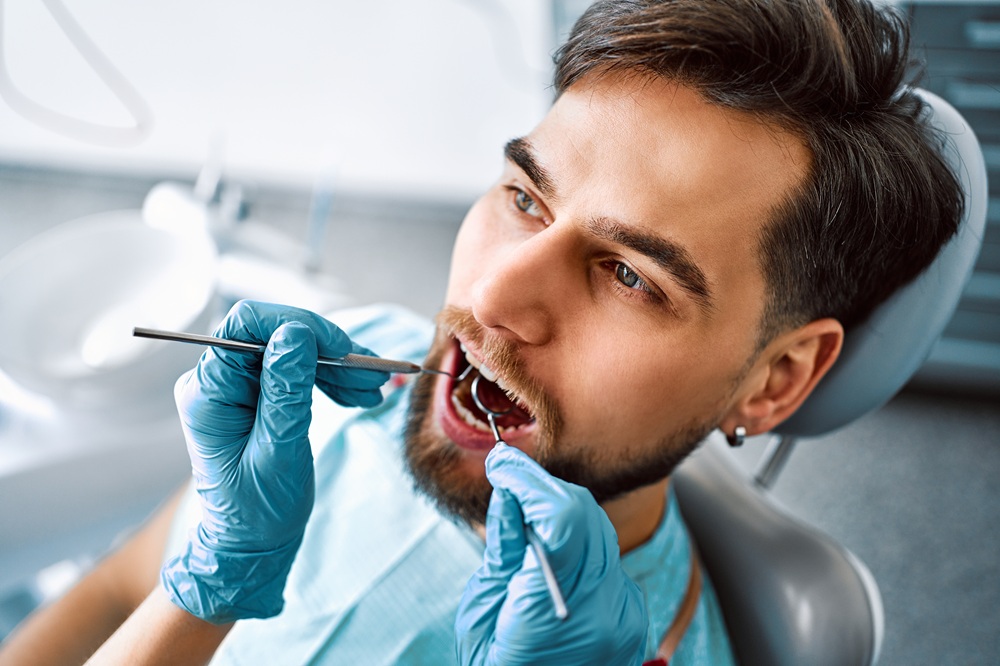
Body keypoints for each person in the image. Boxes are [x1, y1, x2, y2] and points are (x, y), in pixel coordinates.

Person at [0, 0, 963, 664]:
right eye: (523, 197)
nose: (492, 297)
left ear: (776, 382)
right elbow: (113, 596)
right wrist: (201, 587)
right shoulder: (359, 374)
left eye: (630, 275)